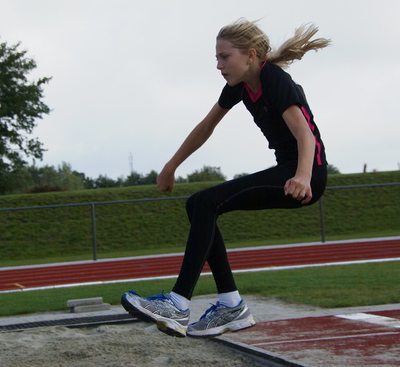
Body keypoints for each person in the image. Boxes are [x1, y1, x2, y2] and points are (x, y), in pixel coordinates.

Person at [121, 18, 330, 338]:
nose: (218, 65)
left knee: (205, 202)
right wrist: (171, 164)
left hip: (304, 174)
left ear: (250, 55)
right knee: (200, 205)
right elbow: (206, 127)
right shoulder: (238, 87)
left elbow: (306, 135)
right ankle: (230, 304)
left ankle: (177, 303)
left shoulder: (274, 79)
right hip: (289, 171)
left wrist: (303, 176)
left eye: (224, 57)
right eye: (216, 57)